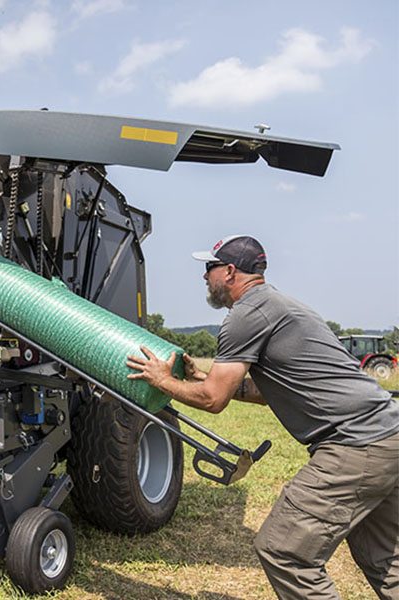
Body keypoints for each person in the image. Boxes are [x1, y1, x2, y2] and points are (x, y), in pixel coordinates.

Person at [125, 234, 399, 600]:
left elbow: (213, 400)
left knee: (284, 551)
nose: (204, 277)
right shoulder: (281, 306)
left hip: (354, 445)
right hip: (387, 437)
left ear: (230, 271)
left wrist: (161, 379)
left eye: (210, 268)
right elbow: (261, 391)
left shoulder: (246, 315)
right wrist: (200, 376)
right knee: (384, 557)